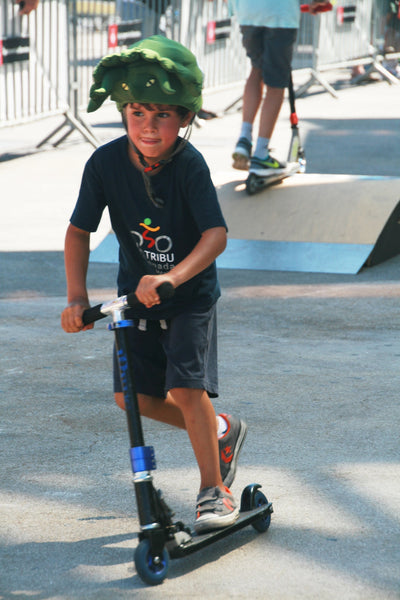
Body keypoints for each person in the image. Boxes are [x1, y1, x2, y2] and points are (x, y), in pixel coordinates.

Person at [61, 36, 247, 534]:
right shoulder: (103, 164)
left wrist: (172, 275)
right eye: (138, 112)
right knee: (132, 399)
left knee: (186, 389)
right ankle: (219, 430)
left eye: (161, 114)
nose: (148, 125)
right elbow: (79, 231)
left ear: (183, 119)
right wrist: (76, 297)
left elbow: (216, 235)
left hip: (188, 299)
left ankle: (214, 489)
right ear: (123, 113)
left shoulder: (188, 166)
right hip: (133, 299)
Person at [231, 0, 332, 176]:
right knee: (275, 84)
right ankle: (261, 153)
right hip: (279, 13)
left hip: (248, 12)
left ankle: (244, 139)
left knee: (256, 69)